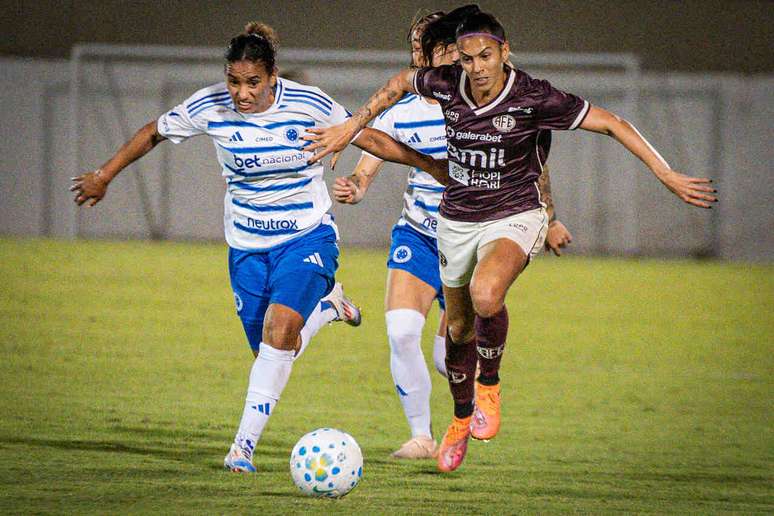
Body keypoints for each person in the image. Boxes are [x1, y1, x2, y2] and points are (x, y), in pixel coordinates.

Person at [303, 7, 717, 472]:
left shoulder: (533, 96)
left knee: (486, 293)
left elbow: (612, 122)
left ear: (504, 52)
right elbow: (398, 84)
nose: (476, 67)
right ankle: (460, 419)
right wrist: (350, 128)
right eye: (467, 59)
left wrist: (666, 174)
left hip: (514, 214)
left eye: (485, 56)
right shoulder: (445, 84)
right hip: (456, 219)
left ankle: (489, 387)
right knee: (458, 331)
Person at [70, 22, 446, 473]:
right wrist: (104, 175)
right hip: (247, 247)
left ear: (272, 77)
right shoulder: (210, 105)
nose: (242, 93)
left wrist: (432, 167)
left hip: (307, 237)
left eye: (253, 83)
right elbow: (154, 131)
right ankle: (329, 307)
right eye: (234, 81)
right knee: (276, 350)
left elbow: (369, 137)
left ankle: (241, 449)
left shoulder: (308, 103)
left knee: (280, 331)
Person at [332, 10, 572, 460]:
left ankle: (477, 398)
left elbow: (531, 165)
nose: (421, 55)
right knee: (402, 332)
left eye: (430, 47)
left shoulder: (484, 101)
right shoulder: (403, 112)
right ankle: (420, 436)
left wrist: (551, 217)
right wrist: (357, 186)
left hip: (474, 237)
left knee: (451, 354)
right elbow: (370, 162)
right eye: (416, 47)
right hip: (420, 235)